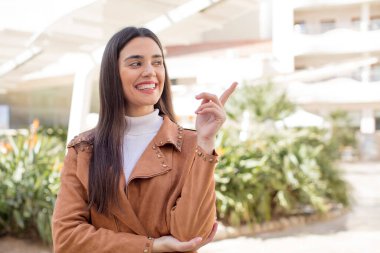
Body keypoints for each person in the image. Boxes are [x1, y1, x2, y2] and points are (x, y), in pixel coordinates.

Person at [52, 26, 237, 253]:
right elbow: (66, 238)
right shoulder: (83, 150)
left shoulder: (192, 144)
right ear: (113, 74)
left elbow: (190, 236)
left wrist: (206, 144)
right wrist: (151, 246)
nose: (150, 71)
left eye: (157, 62)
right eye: (136, 63)